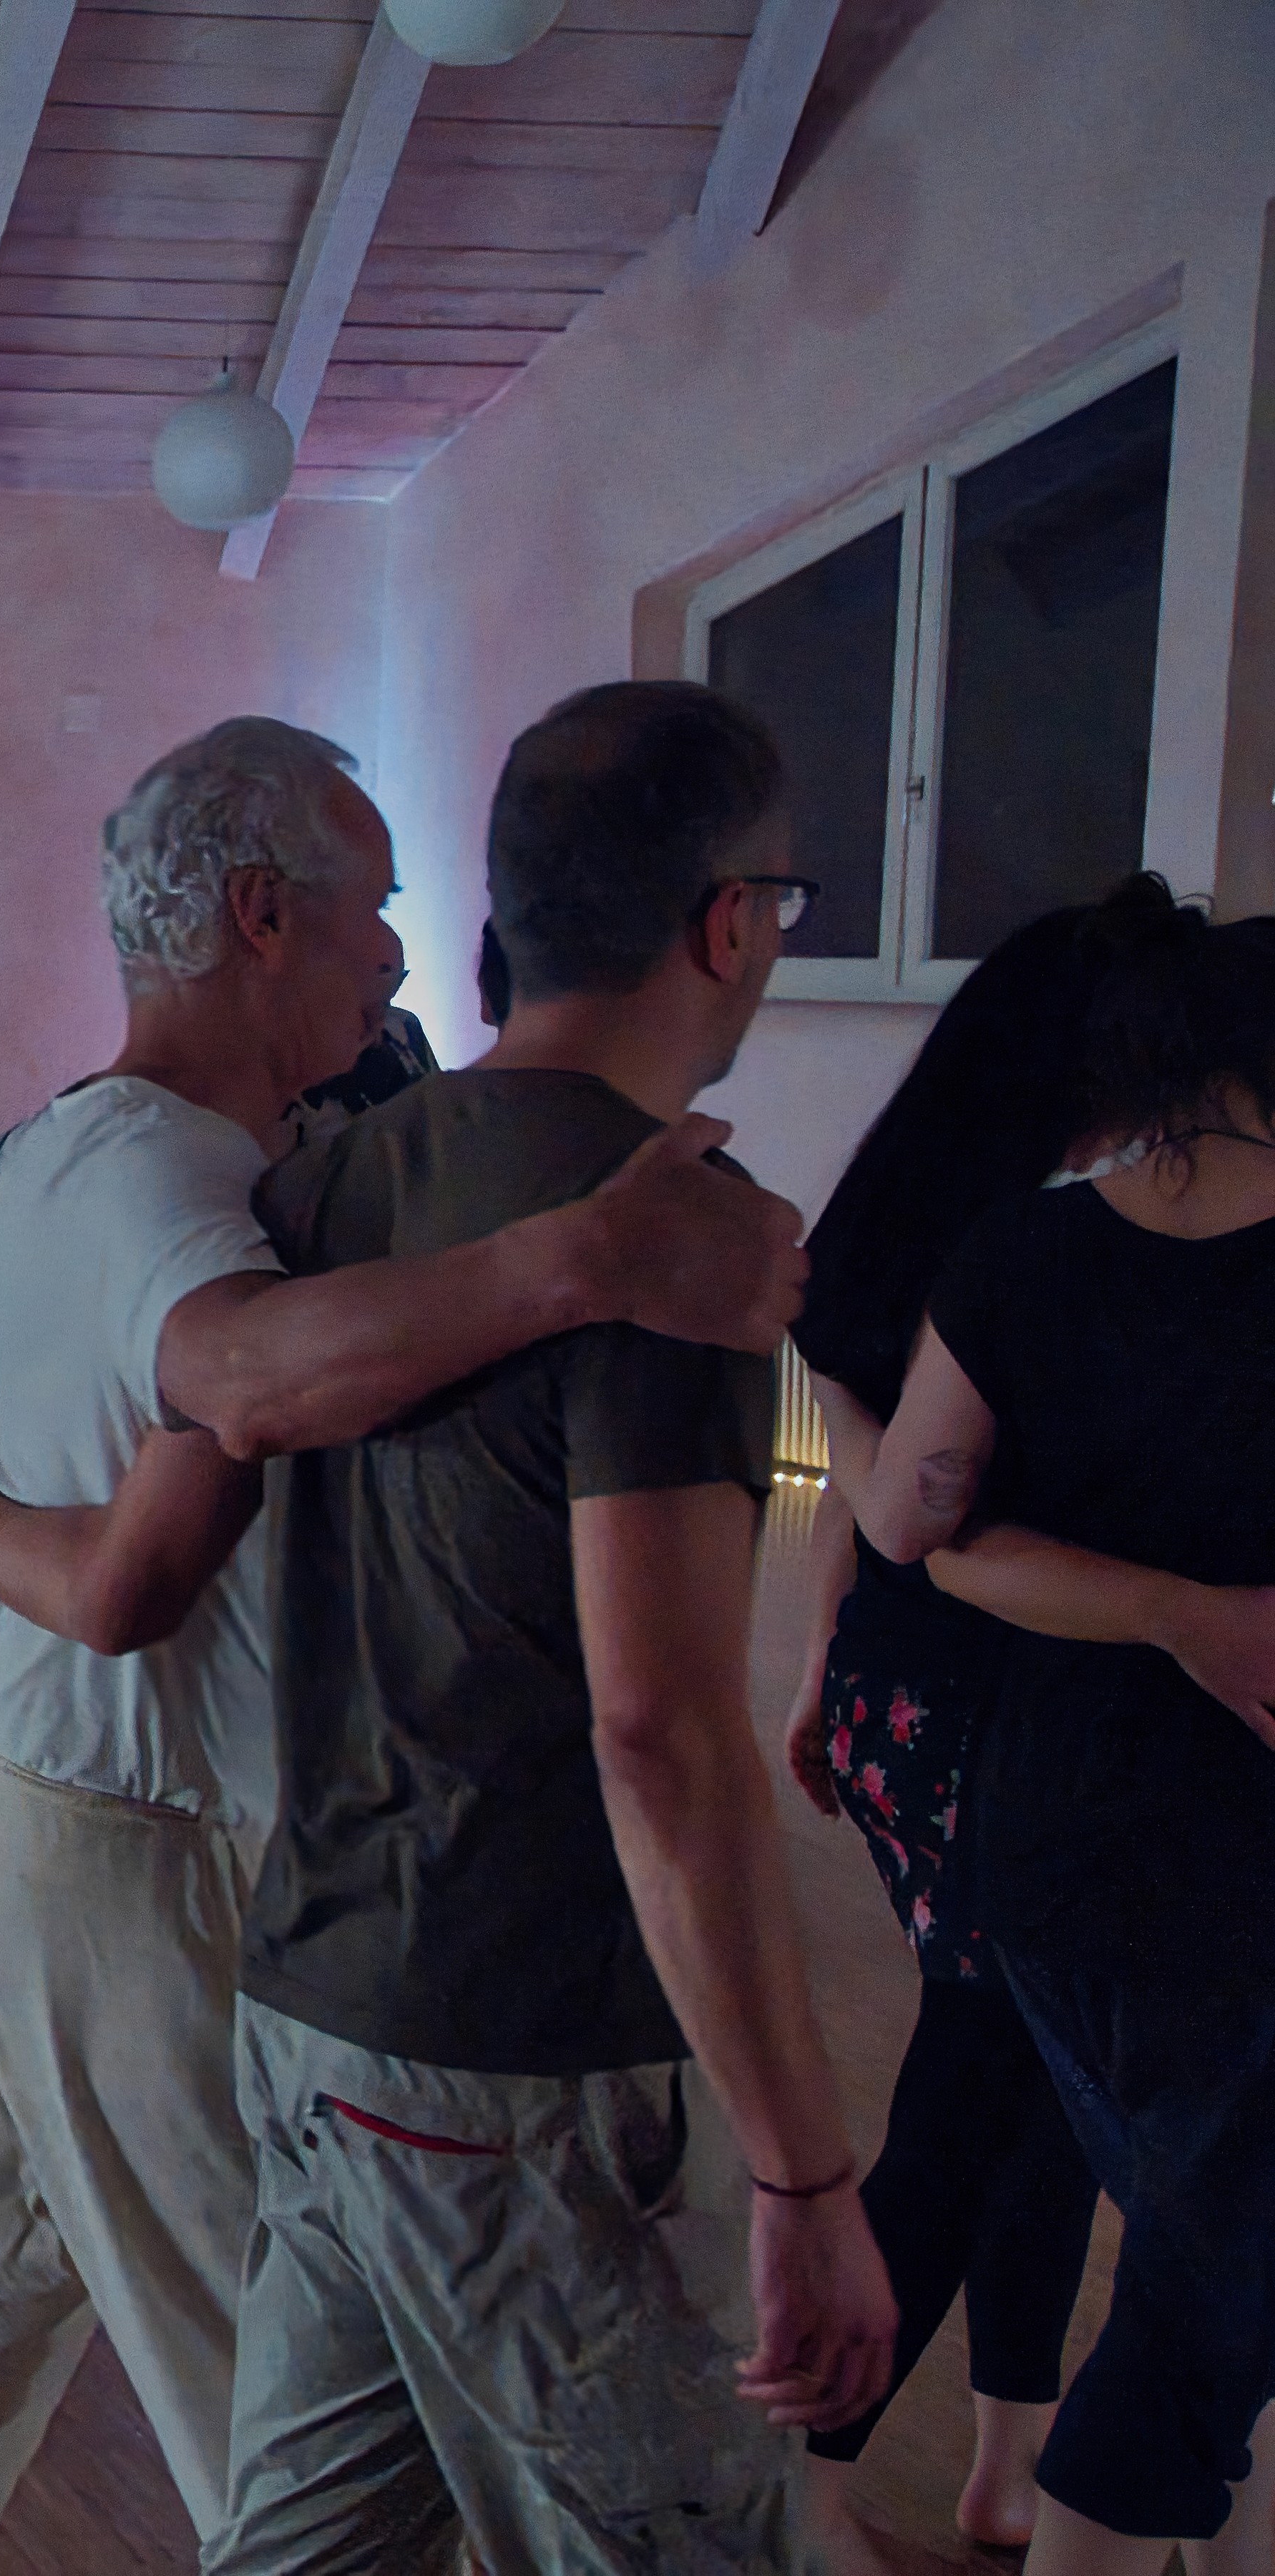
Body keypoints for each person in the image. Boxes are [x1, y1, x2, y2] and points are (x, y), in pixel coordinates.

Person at [0, 714, 816, 2573]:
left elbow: (133, 1557)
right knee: (268, 2450)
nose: (400, 958)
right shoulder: (153, 1166)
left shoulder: (220, 1160)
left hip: (40, 1840)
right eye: (372, 911)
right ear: (262, 915)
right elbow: (250, 1385)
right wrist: (587, 1258)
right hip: (119, 1878)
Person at [207, 682, 895, 2575]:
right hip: (516, 2058)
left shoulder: (351, 1165)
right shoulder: (680, 1232)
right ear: (731, 923)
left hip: (316, 2001)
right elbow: (660, 1735)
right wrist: (801, 2170)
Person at [866, 902, 1275, 2576]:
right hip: (1233, 1861)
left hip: (1038, 1840)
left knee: (1204, 2240)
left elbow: (910, 1521)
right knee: (1200, 2285)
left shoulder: (1020, 1253)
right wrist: (1200, 1611)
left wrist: (1158, 1600)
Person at [781, 884, 1160, 2569]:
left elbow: (852, 1502)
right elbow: (900, 1509)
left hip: (901, 1706)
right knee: (982, 2083)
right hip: (981, 1723)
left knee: (1020, 2079)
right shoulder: (1044, 1246)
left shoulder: (909, 1222)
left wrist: (815, 1674)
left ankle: (1005, 2451)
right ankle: (798, 2473)